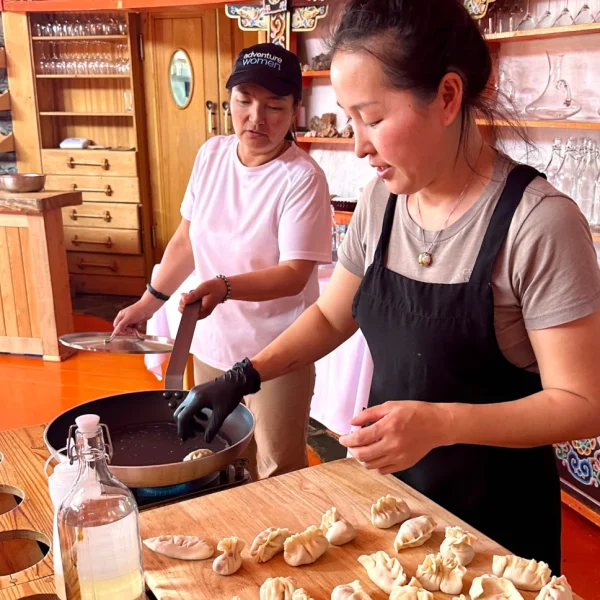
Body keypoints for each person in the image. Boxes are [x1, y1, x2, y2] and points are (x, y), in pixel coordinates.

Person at [174, 0, 600, 570]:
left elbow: (583, 404)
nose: (357, 145)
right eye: (349, 119)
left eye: (372, 119)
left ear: (448, 97)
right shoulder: (384, 202)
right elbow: (330, 317)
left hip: (495, 536)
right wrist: (241, 377)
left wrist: (441, 423)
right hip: (391, 512)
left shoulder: (537, 223)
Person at [114, 43, 333, 480]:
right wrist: (149, 302)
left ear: (296, 110)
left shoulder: (303, 178)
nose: (257, 118)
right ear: (229, 100)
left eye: (274, 106)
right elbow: (185, 240)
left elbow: (294, 276)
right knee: (221, 457)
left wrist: (224, 286)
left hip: (277, 351)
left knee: (278, 467)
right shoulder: (211, 155)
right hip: (212, 342)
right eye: (245, 101)